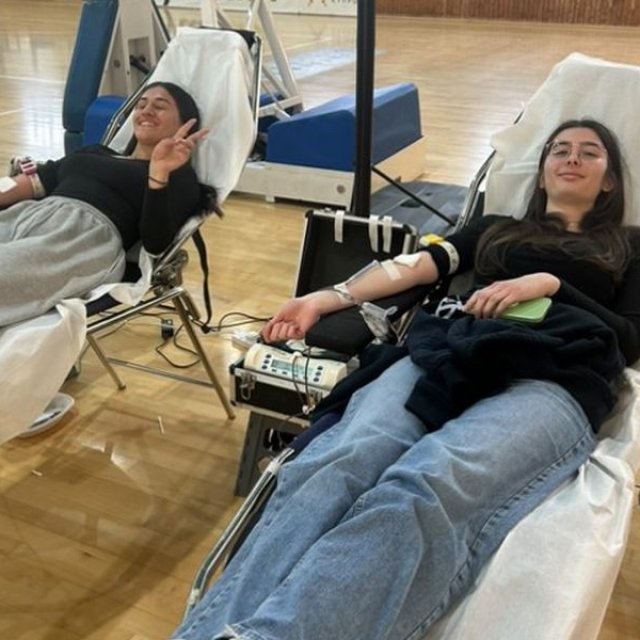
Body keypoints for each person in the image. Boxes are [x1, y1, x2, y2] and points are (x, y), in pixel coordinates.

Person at [171, 119, 640, 640]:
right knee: (336, 465)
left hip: (556, 376)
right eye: (560, 149)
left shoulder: (629, 245)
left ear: (610, 180)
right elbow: (416, 266)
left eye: (589, 152)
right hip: (450, 351)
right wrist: (325, 298)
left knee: (426, 483)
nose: (571, 158)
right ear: (543, 168)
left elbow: (632, 338)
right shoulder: (496, 228)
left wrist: (551, 285)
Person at [0, 81, 210, 327]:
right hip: (27, 217)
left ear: (185, 124)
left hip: (80, 240)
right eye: (141, 105)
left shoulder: (177, 176)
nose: (147, 111)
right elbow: (32, 182)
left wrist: (158, 173)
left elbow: (156, 243)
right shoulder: (95, 152)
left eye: (160, 106)